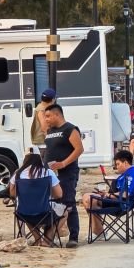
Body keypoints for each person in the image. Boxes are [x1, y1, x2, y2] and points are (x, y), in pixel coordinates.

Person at [44, 103, 84, 247]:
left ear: (57, 114)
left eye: (48, 116)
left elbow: (79, 149)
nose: (46, 119)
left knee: (68, 202)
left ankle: (73, 236)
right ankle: (50, 234)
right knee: (51, 203)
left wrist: (63, 163)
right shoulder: (49, 131)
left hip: (67, 172)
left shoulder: (70, 129)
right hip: (50, 173)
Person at [8, 146, 63, 247]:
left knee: (27, 212)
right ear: (39, 158)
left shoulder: (18, 174)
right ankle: (47, 239)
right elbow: (59, 194)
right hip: (45, 211)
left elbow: (12, 194)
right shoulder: (48, 172)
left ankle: (38, 239)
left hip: (24, 213)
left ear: (25, 159)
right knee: (66, 212)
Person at [81, 150, 134, 238]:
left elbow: (126, 194)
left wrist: (107, 195)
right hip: (117, 200)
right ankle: (99, 231)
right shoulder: (126, 174)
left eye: (118, 164)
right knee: (87, 198)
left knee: (90, 199)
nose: (116, 167)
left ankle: (98, 232)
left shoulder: (131, 175)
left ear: (125, 163)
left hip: (123, 204)